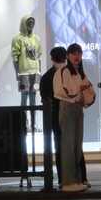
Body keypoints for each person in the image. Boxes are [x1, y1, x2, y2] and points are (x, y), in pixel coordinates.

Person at [54, 44, 95, 192]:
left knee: (77, 146)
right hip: (67, 107)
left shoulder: (80, 73)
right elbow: (61, 91)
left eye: (79, 53)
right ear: (68, 55)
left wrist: (84, 96)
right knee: (68, 145)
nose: (77, 56)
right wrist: (79, 91)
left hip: (77, 108)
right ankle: (68, 181)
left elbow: (89, 91)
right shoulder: (63, 71)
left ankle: (76, 179)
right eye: (73, 53)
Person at [40, 47, 67, 187]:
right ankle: (68, 178)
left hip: (52, 116)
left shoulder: (46, 76)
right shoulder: (69, 73)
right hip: (66, 115)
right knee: (67, 146)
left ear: (51, 58)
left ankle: (55, 179)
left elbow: (44, 98)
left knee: (54, 148)